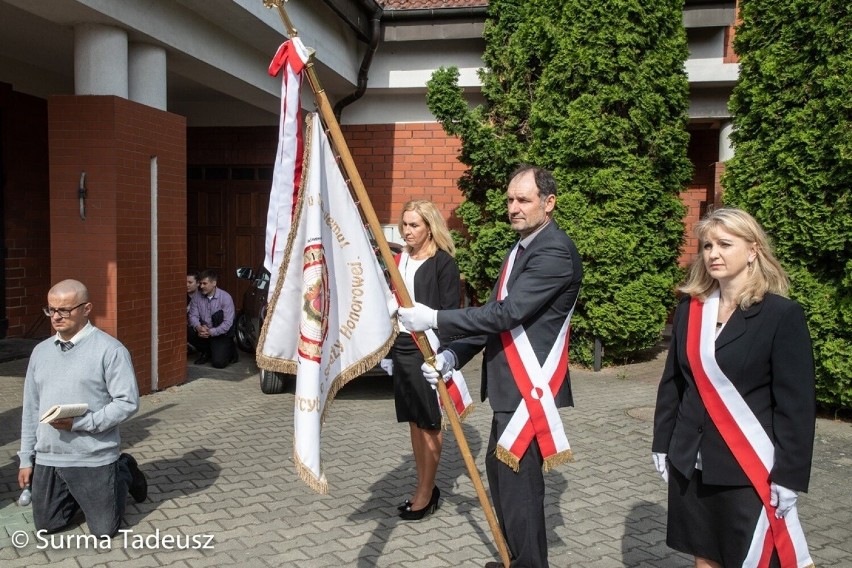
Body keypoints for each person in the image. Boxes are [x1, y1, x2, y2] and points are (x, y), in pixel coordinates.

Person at [399, 165, 583, 567]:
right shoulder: (521, 248)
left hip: (528, 387)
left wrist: (435, 319)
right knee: (502, 479)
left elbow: (508, 313)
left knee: (519, 490)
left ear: (549, 203)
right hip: (509, 387)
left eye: (524, 200)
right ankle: (516, 558)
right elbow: (494, 320)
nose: (514, 208)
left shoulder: (552, 250)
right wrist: (452, 356)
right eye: (510, 200)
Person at [652, 208, 815, 568]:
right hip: (690, 461)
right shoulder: (690, 309)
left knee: (750, 559)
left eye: (725, 244)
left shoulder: (781, 315)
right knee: (703, 556)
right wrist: (663, 443)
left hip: (745, 467)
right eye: (708, 245)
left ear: (753, 250)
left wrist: (789, 475)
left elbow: (796, 406)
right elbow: (674, 383)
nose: (713, 253)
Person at [18, 279, 147, 538]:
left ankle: (123, 470)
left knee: (104, 531)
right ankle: (81, 493)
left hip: (93, 453)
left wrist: (80, 423)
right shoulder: (40, 352)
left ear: (86, 309)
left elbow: (127, 402)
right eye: (51, 309)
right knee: (47, 526)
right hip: (50, 456)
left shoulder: (110, 350)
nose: (56, 316)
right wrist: (25, 458)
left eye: (64, 310)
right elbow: (31, 408)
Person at [391, 200, 461, 521]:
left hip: (428, 350)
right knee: (414, 419)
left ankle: (426, 492)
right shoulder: (401, 258)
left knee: (430, 421)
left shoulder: (443, 264)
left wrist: (444, 355)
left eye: (414, 225)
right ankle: (423, 485)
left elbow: (450, 313)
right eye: (404, 225)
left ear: (430, 227)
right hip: (403, 347)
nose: (407, 231)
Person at [188, 269, 238, 368]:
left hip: (220, 333)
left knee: (219, 363)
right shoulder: (197, 297)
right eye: (200, 283)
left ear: (214, 283)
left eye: (205, 283)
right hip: (203, 330)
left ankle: (231, 350)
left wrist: (211, 332)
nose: (201, 286)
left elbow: (228, 323)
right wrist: (198, 327)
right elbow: (193, 315)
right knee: (187, 331)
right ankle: (206, 352)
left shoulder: (225, 297)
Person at [187, 271, 200, 353]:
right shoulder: (181, 297)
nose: (187, 285)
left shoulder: (203, 296)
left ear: (198, 283)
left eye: (190, 282)